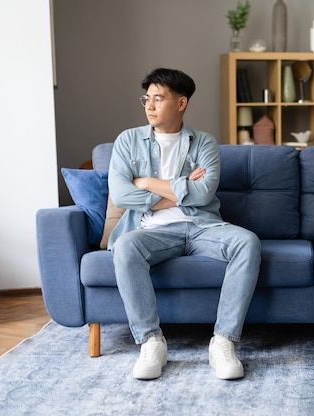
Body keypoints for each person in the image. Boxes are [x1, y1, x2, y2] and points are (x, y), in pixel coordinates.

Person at [108, 68, 261, 380]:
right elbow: (121, 194)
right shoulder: (128, 141)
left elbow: (205, 193)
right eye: (146, 99)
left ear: (181, 103)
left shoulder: (203, 143)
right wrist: (182, 189)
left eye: (158, 98)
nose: (149, 106)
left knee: (247, 242)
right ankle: (151, 343)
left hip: (203, 227)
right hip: (151, 230)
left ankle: (223, 342)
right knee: (124, 246)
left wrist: (147, 181)